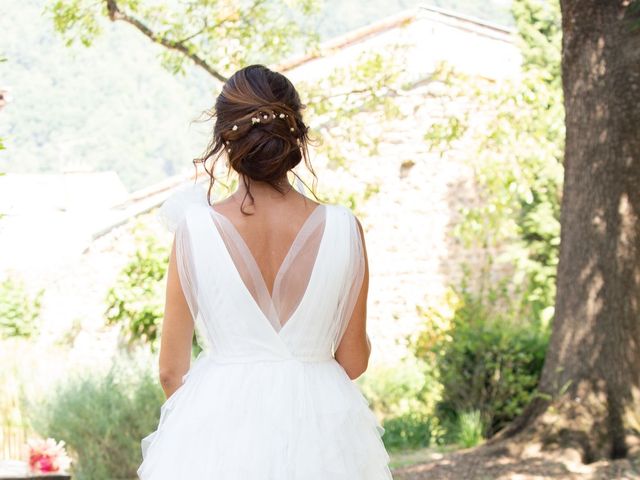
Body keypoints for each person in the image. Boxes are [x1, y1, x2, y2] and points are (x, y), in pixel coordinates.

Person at [137, 64, 392, 479]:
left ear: (224, 138)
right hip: (322, 438)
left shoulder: (195, 230)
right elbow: (353, 359)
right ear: (296, 136)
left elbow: (171, 369)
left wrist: (202, 433)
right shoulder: (345, 228)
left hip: (219, 430)